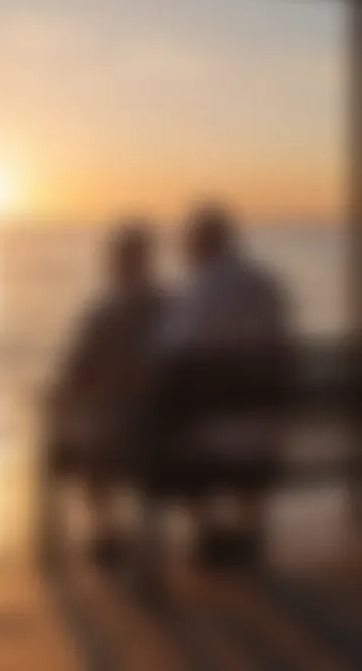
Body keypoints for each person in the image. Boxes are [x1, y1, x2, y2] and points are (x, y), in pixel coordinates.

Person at [158, 204, 292, 567]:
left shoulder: (200, 290)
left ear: (200, 244)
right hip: (267, 435)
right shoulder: (267, 284)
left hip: (214, 441)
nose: (183, 251)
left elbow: (169, 353)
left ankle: (209, 533)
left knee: (165, 444)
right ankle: (248, 532)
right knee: (243, 427)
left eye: (185, 243)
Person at [50, 223, 165, 568]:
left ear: (115, 263)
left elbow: (75, 374)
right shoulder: (174, 307)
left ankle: (105, 534)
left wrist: (59, 399)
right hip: (173, 436)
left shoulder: (104, 314)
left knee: (88, 446)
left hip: (120, 439)